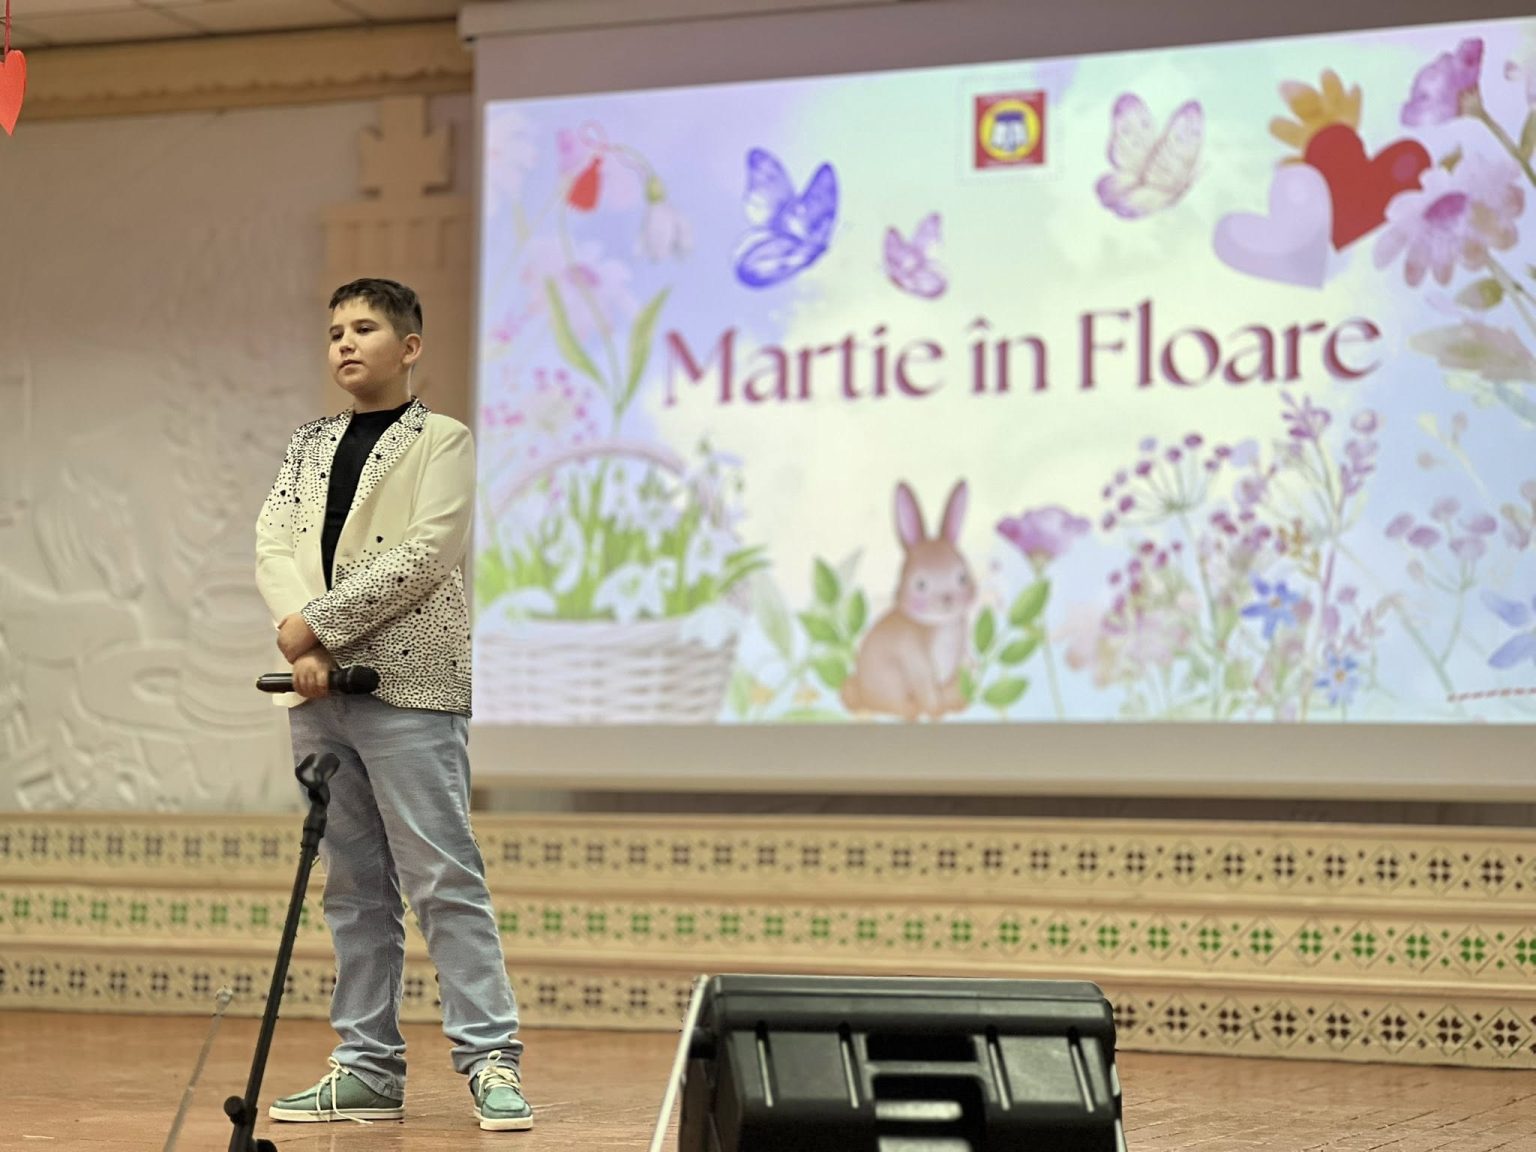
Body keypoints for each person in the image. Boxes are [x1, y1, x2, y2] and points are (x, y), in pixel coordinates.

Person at [253, 277, 531, 1132]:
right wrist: (305, 642)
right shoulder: (307, 443)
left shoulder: (442, 439)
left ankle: (492, 1059)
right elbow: (272, 545)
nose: (345, 342)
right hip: (316, 689)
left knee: (443, 876)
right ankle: (366, 1066)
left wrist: (318, 628)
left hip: (409, 684)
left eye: (365, 328)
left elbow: (425, 552)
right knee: (353, 889)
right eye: (336, 330)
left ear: (408, 348)